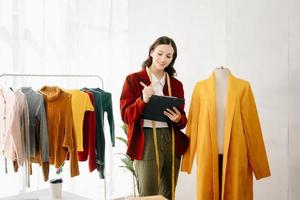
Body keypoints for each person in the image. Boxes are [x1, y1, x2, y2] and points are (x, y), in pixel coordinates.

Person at [120, 36, 188, 200]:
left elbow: (183, 120)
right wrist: (142, 100)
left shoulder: (176, 85)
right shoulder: (134, 80)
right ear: (151, 52)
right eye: (160, 53)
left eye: (169, 56)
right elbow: (126, 116)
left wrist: (179, 118)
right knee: (149, 195)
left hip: (171, 140)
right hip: (147, 140)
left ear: (172, 59)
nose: (163, 59)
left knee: (168, 194)